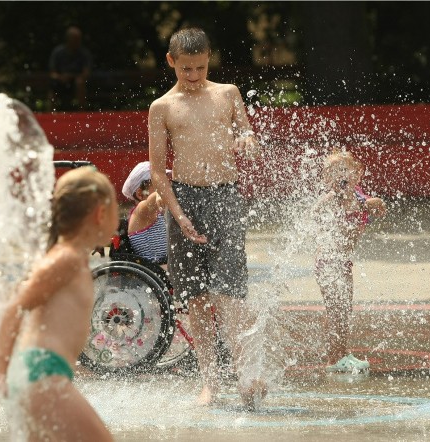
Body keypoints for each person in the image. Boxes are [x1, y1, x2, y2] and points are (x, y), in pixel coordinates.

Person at [0, 167, 116, 442]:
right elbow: (16, 305)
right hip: (42, 373)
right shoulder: (66, 258)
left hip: (39, 373)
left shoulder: (69, 258)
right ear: (100, 213)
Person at [148, 27, 265, 409]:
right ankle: (210, 383)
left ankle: (246, 376)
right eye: (186, 69)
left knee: (230, 292)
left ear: (209, 58)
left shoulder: (227, 94)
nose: (194, 76)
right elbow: (158, 171)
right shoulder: (162, 107)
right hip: (184, 198)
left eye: (199, 67)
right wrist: (178, 216)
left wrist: (247, 142)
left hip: (225, 196)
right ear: (171, 62)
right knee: (196, 297)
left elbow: (247, 137)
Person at [312, 151, 386, 374]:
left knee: (342, 311)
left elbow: (374, 209)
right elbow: (316, 213)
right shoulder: (333, 199)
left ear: (358, 173)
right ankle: (335, 358)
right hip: (328, 262)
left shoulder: (357, 196)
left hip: (342, 262)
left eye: (345, 170)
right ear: (326, 179)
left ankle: (341, 354)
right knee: (337, 311)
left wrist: (375, 207)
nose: (340, 176)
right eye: (333, 173)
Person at [121, 161, 169, 264]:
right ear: (140, 193)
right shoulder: (140, 212)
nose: (164, 186)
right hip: (155, 271)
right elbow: (149, 202)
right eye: (158, 184)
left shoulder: (156, 214)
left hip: (163, 268)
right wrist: (158, 194)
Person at [48, 26, 93, 111]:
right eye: (75, 39)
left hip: (77, 83)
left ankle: (82, 111)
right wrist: (61, 78)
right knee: (53, 87)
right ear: (68, 39)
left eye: (78, 39)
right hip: (60, 82)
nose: (77, 41)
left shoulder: (84, 53)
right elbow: (52, 73)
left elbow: (86, 72)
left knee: (80, 83)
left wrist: (74, 77)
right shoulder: (58, 52)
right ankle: (51, 112)